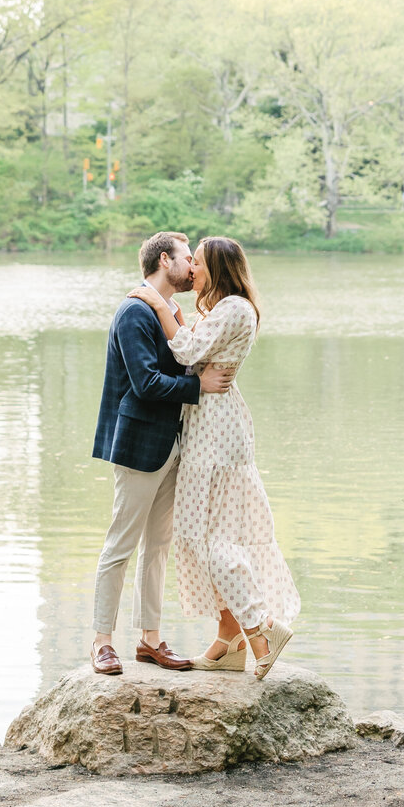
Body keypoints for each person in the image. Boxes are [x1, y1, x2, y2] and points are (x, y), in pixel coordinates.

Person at [128, 236, 298, 681]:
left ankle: (260, 628)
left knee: (211, 541)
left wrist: (158, 303)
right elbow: (196, 350)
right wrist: (179, 316)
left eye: (198, 263)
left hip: (217, 433)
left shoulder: (234, 309)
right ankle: (229, 642)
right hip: (211, 426)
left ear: (218, 268)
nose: (192, 270)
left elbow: (184, 351)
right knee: (204, 537)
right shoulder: (224, 310)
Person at [90, 230, 234, 677]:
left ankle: (150, 641)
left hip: (174, 443)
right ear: (165, 259)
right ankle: (101, 642)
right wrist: (198, 386)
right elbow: (145, 383)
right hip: (139, 444)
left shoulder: (172, 310)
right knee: (121, 544)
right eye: (188, 258)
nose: (194, 267)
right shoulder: (135, 311)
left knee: (158, 548)